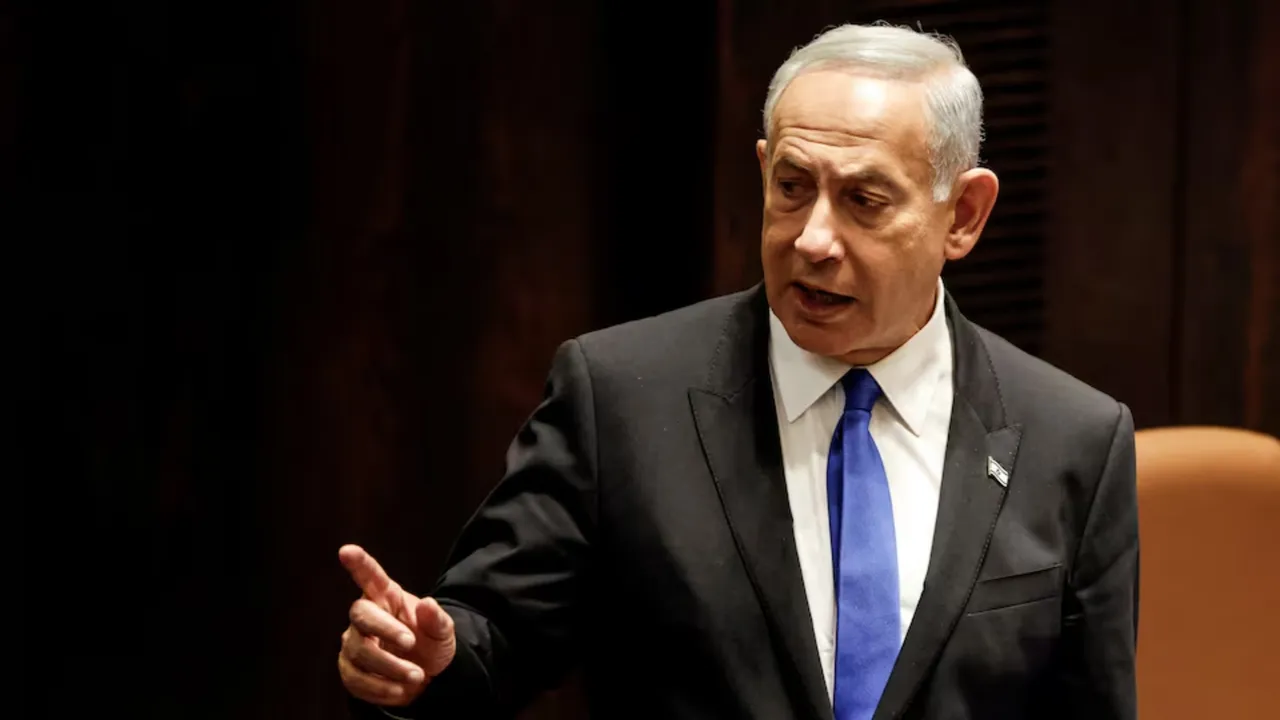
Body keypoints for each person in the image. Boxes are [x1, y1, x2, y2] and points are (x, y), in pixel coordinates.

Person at [337, 23, 1138, 720]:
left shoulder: (1075, 440)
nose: (814, 238)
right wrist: (427, 665)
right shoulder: (620, 397)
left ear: (962, 215)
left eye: (864, 200)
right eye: (792, 188)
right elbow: (490, 638)